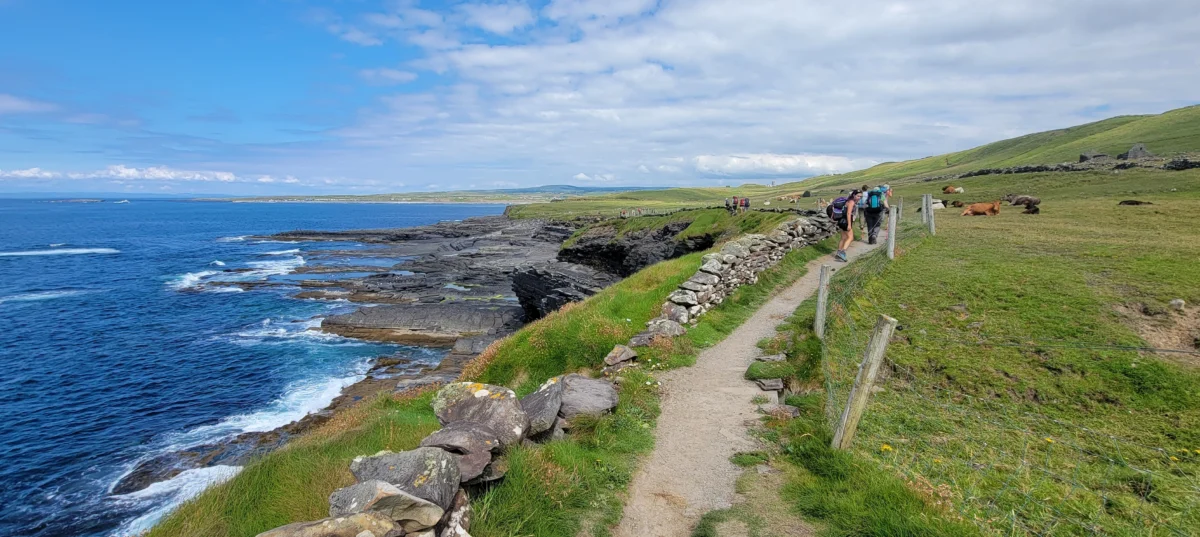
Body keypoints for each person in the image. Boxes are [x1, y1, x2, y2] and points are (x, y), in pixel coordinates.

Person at [828, 190, 861, 262]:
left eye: (860, 196)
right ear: (854, 195)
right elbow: (848, 213)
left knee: (843, 237)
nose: (859, 198)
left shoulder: (848, 201)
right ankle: (842, 252)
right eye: (858, 196)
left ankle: (839, 252)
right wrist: (849, 224)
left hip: (841, 220)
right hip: (846, 221)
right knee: (851, 238)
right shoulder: (851, 202)